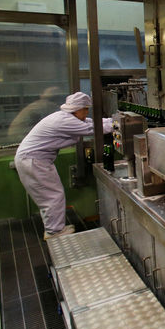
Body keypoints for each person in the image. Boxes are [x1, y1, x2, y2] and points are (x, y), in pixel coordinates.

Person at [14, 92, 113, 239]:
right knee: (52, 196)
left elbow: (91, 123)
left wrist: (115, 120)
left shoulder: (65, 117)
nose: (87, 113)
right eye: (85, 109)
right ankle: (54, 232)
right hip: (34, 161)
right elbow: (93, 129)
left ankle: (54, 228)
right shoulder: (65, 121)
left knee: (49, 195)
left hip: (34, 160)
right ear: (77, 109)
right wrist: (117, 125)